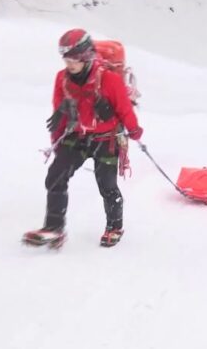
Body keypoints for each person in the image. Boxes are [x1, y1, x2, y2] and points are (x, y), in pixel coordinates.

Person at [23, 29, 143, 248]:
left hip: (106, 138)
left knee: (107, 186)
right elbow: (57, 113)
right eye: (66, 59)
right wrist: (56, 139)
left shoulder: (109, 80)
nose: (69, 64)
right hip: (76, 136)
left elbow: (125, 110)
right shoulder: (62, 78)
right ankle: (54, 228)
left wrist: (134, 131)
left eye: (74, 60)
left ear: (87, 56)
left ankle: (114, 227)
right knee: (55, 177)